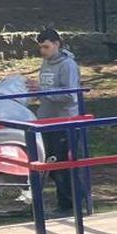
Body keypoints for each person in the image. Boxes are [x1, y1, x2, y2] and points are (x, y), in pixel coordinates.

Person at [31, 28, 81, 215]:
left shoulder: (68, 65)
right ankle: (73, 200)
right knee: (52, 165)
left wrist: (42, 90)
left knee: (62, 165)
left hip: (64, 121)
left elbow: (70, 94)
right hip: (47, 120)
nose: (43, 51)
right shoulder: (45, 63)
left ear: (57, 45)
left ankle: (70, 205)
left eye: (46, 47)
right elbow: (47, 89)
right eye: (41, 47)